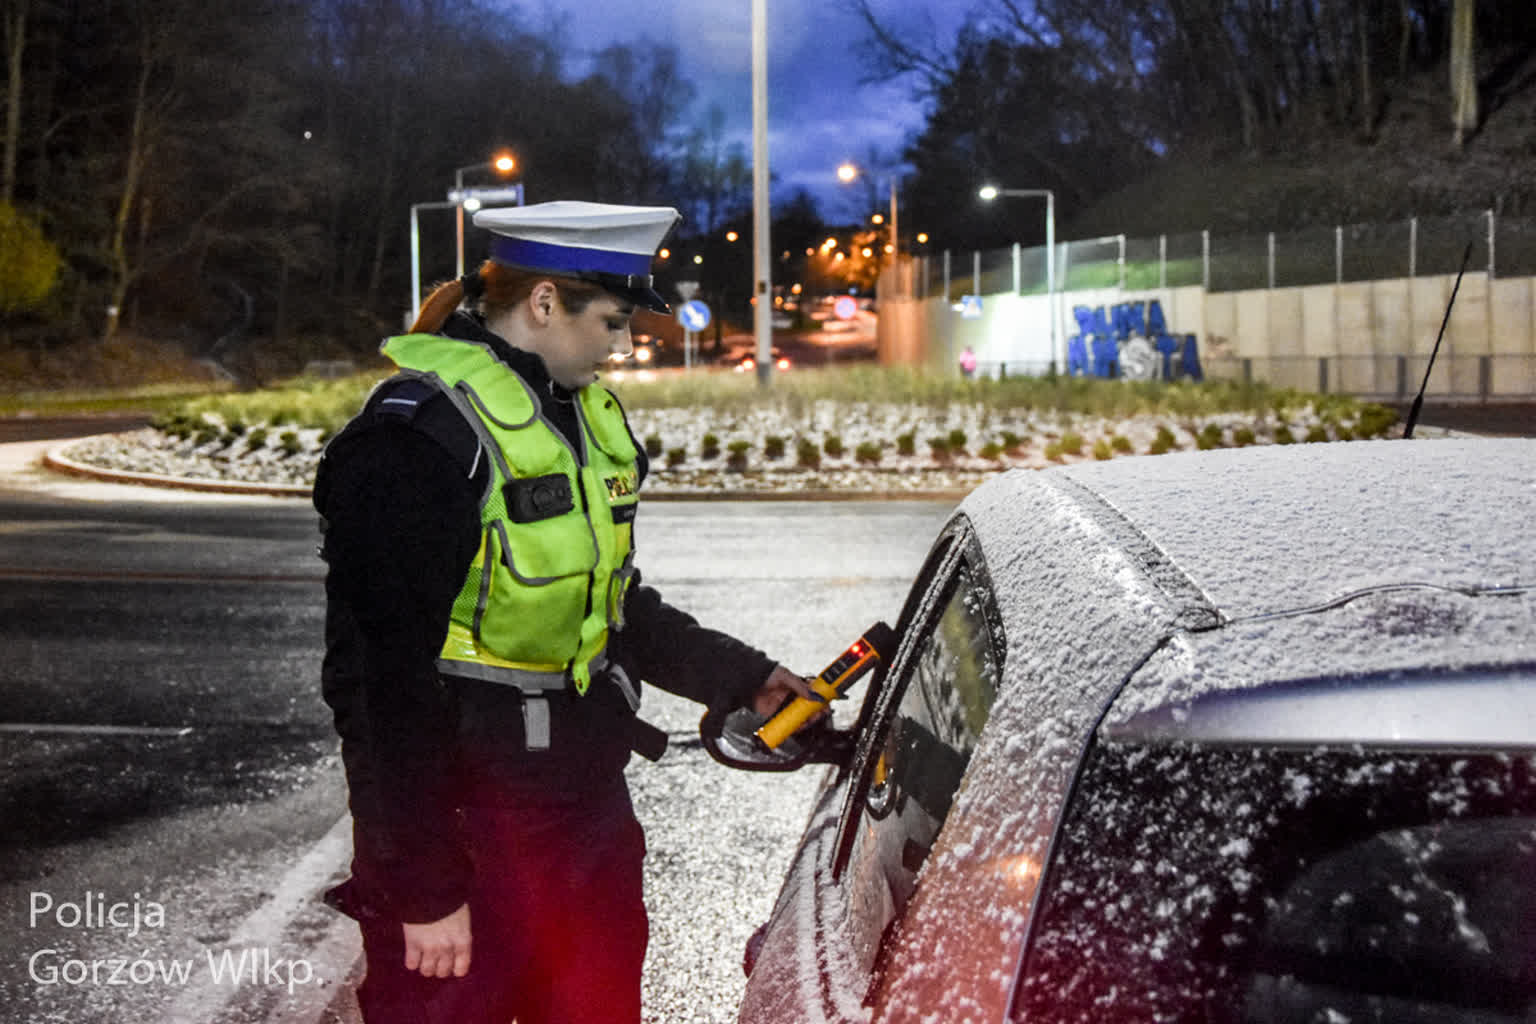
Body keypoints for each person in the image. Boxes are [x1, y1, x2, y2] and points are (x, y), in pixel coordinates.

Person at [314, 200, 817, 1024]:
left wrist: (745, 676)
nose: (622, 348)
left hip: (583, 820)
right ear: (544, 303)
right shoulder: (415, 443)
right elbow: (376, 690)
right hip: (468, 838)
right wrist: (423, 888)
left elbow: (614, 607)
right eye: (614, 322)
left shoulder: (577, 419)